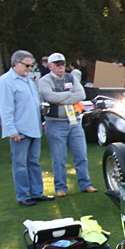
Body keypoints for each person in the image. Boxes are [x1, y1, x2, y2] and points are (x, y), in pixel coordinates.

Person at [0, 50, 54, 206]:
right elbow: (5, 108)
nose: (30, 68)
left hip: (34, 127)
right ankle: (23, 196)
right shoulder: (6, 81)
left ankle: (37, 193)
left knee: (34, 162)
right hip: (20, 130)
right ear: (16, 63)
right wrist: (11, 130)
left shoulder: (28, 79)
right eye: (27, 65)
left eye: (32, 65)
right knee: (20, 164)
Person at [37, 52, 96, 196]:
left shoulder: (71, 77)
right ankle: (60, 187)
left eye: (62, 64)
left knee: (81, 155)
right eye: (57, 65)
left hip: (74, 122)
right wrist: (69, 94)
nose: (61, 67)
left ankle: (85, 184)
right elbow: (49, 96)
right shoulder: (45, 80)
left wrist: (61, 99)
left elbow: (81, 94)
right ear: (50, 66)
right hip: (55, 124)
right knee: (59, 158)